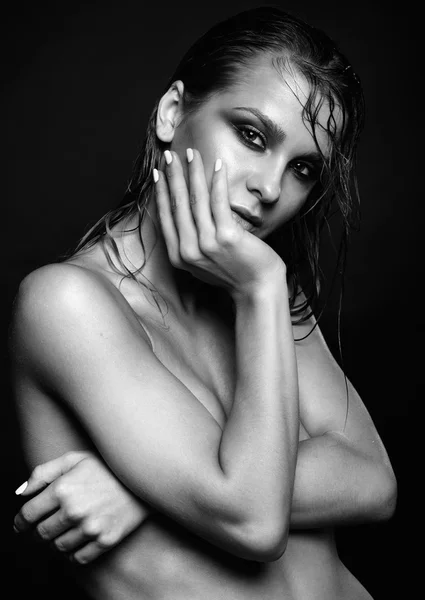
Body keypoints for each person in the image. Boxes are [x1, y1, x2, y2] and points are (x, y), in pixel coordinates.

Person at [10, 6, 397, 600]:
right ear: (172, 113)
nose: (269, 188)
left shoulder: (265, 289)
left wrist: (141, 487)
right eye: (251, 135)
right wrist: (262, 290)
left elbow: (374, 483)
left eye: (303, 169)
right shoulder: (68, 303)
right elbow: (252, 520)